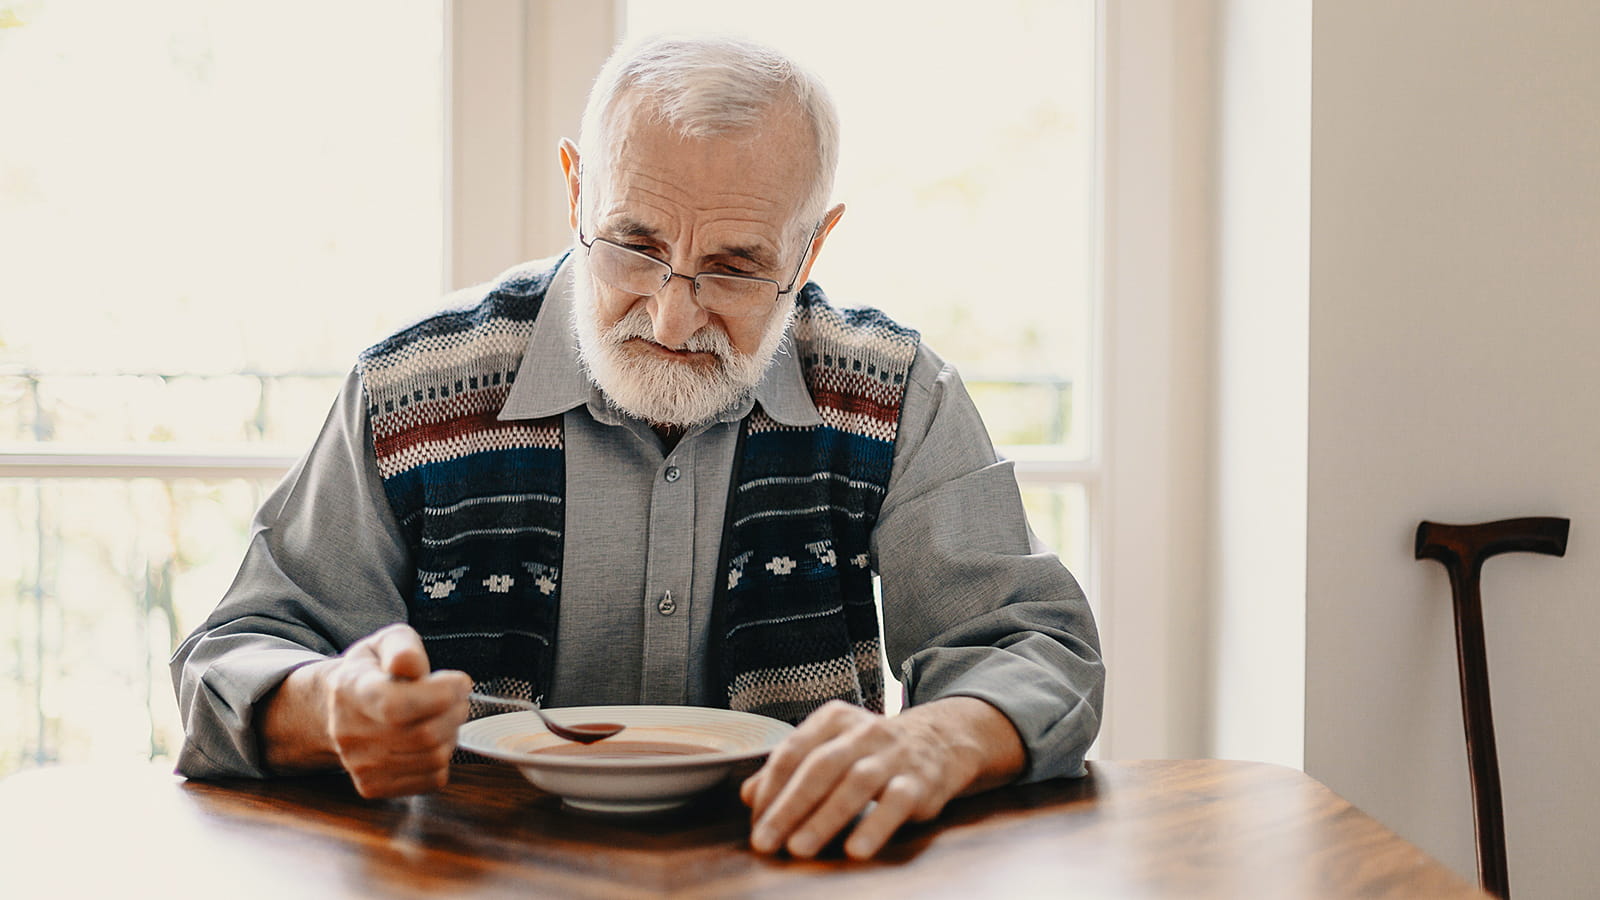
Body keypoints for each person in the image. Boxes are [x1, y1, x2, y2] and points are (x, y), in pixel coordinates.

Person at [171, 35, 1104, 862]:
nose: (670, 315)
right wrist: (332, 709)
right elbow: (235, 655)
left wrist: (935, 739)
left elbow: (1034, 645)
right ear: (578, 189)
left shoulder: (896, 393)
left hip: (797, 868)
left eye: (736, 267)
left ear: (811, 248)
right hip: (467, 879)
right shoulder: (409, 386)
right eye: (632, 244)